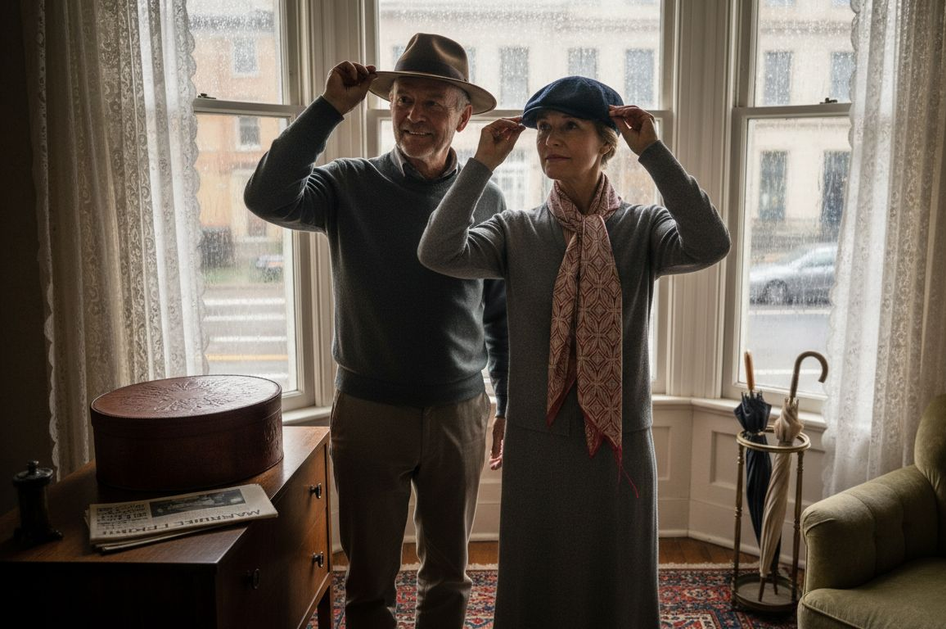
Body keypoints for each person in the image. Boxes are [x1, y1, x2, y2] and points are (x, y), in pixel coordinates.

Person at [418, 76, 731, 628]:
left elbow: (710, 242)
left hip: (619, 442)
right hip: (538, 445)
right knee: (536, 585)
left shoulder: (644, 227)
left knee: (619, 582)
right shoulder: (515, 231)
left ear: (607, 142)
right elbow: (438, 250)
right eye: (543, 128)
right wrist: (481, 166)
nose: (549, 140)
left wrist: (654, 153)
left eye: (569, 127)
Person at [244, 33, 509, 629]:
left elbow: (499, 312)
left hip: (459, 413)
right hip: (368, 412)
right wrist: (330, 108)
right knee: (368, 582)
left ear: (463, 117)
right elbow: (265, 196)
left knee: (449, 578)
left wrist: (507, 401)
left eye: (433, 104)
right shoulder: (347, 185)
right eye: (403, 101)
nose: (414, 116)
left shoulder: (484, 195)